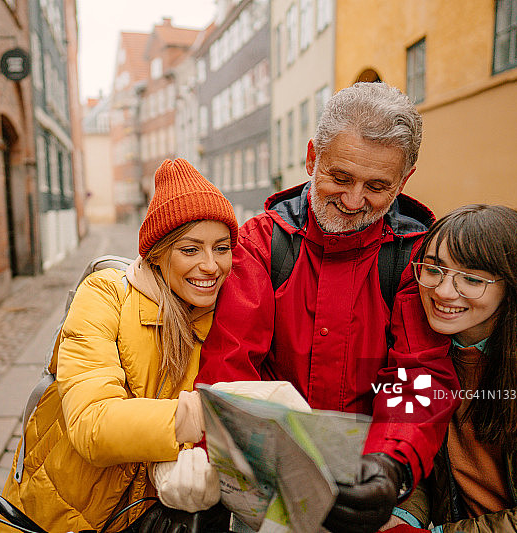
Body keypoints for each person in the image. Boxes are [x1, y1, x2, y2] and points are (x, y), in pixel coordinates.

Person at [194, 82, 460, 533]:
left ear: (405, 180)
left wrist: (391, 465)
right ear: (312, 158)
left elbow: (418, 374)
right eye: (340, 177)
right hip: (270, 471)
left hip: (377, 473)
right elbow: (231, 367)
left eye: (378, 187)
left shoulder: (417, 256)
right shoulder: (262, 242)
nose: (355, 202)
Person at [0, 158, 239, 533]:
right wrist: (203, 417)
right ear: (157, 254)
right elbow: (91, 423)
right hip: (60, 513)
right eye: (190, 250)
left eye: (221, 248)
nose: (211, 265)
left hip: (147, 519)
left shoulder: (226, 319)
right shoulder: (105, 294)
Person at [383, 204, 517, 533]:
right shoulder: (420, 343)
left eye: (472, 279)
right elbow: (426, 462)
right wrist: (404, 516)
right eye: (433, 270)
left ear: (513, 285)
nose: (443, 292)